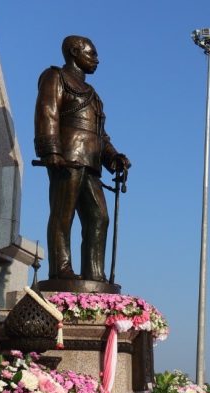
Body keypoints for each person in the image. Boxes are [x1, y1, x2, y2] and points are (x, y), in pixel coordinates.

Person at [35, 35, 131, 282]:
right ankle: (61, 269)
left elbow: (100, 135)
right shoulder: (55, 76)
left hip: (91, 163)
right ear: (74, 52)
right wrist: (51, 151)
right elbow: (47, 112)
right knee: (63, 215)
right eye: (92, 54)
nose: (97, 60)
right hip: (67, 158)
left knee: (99, 217)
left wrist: (113, 158)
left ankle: (94, 274)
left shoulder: (93, 94)